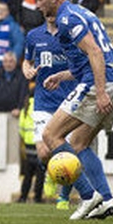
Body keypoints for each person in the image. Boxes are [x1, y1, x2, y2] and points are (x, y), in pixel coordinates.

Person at [35, 0, 113, 220]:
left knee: (50, 135)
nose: (37, 5)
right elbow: (88, 57)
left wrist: (99, 91)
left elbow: (95, 53)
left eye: (41, 0)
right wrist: (62, 76)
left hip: (101, 83)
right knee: (79, 143)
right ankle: (106, 200)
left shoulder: (66, 19)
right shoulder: (81, 13)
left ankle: (88, 196)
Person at [23, 15, 80, 209]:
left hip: (68, 101)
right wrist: (28, 71)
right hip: (43, 100)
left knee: (69, 153)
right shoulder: (34, 35)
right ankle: (50, 172)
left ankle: (63, 197)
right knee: (44, 152)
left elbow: (82, 67)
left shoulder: (72, 36)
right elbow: (26, 61)